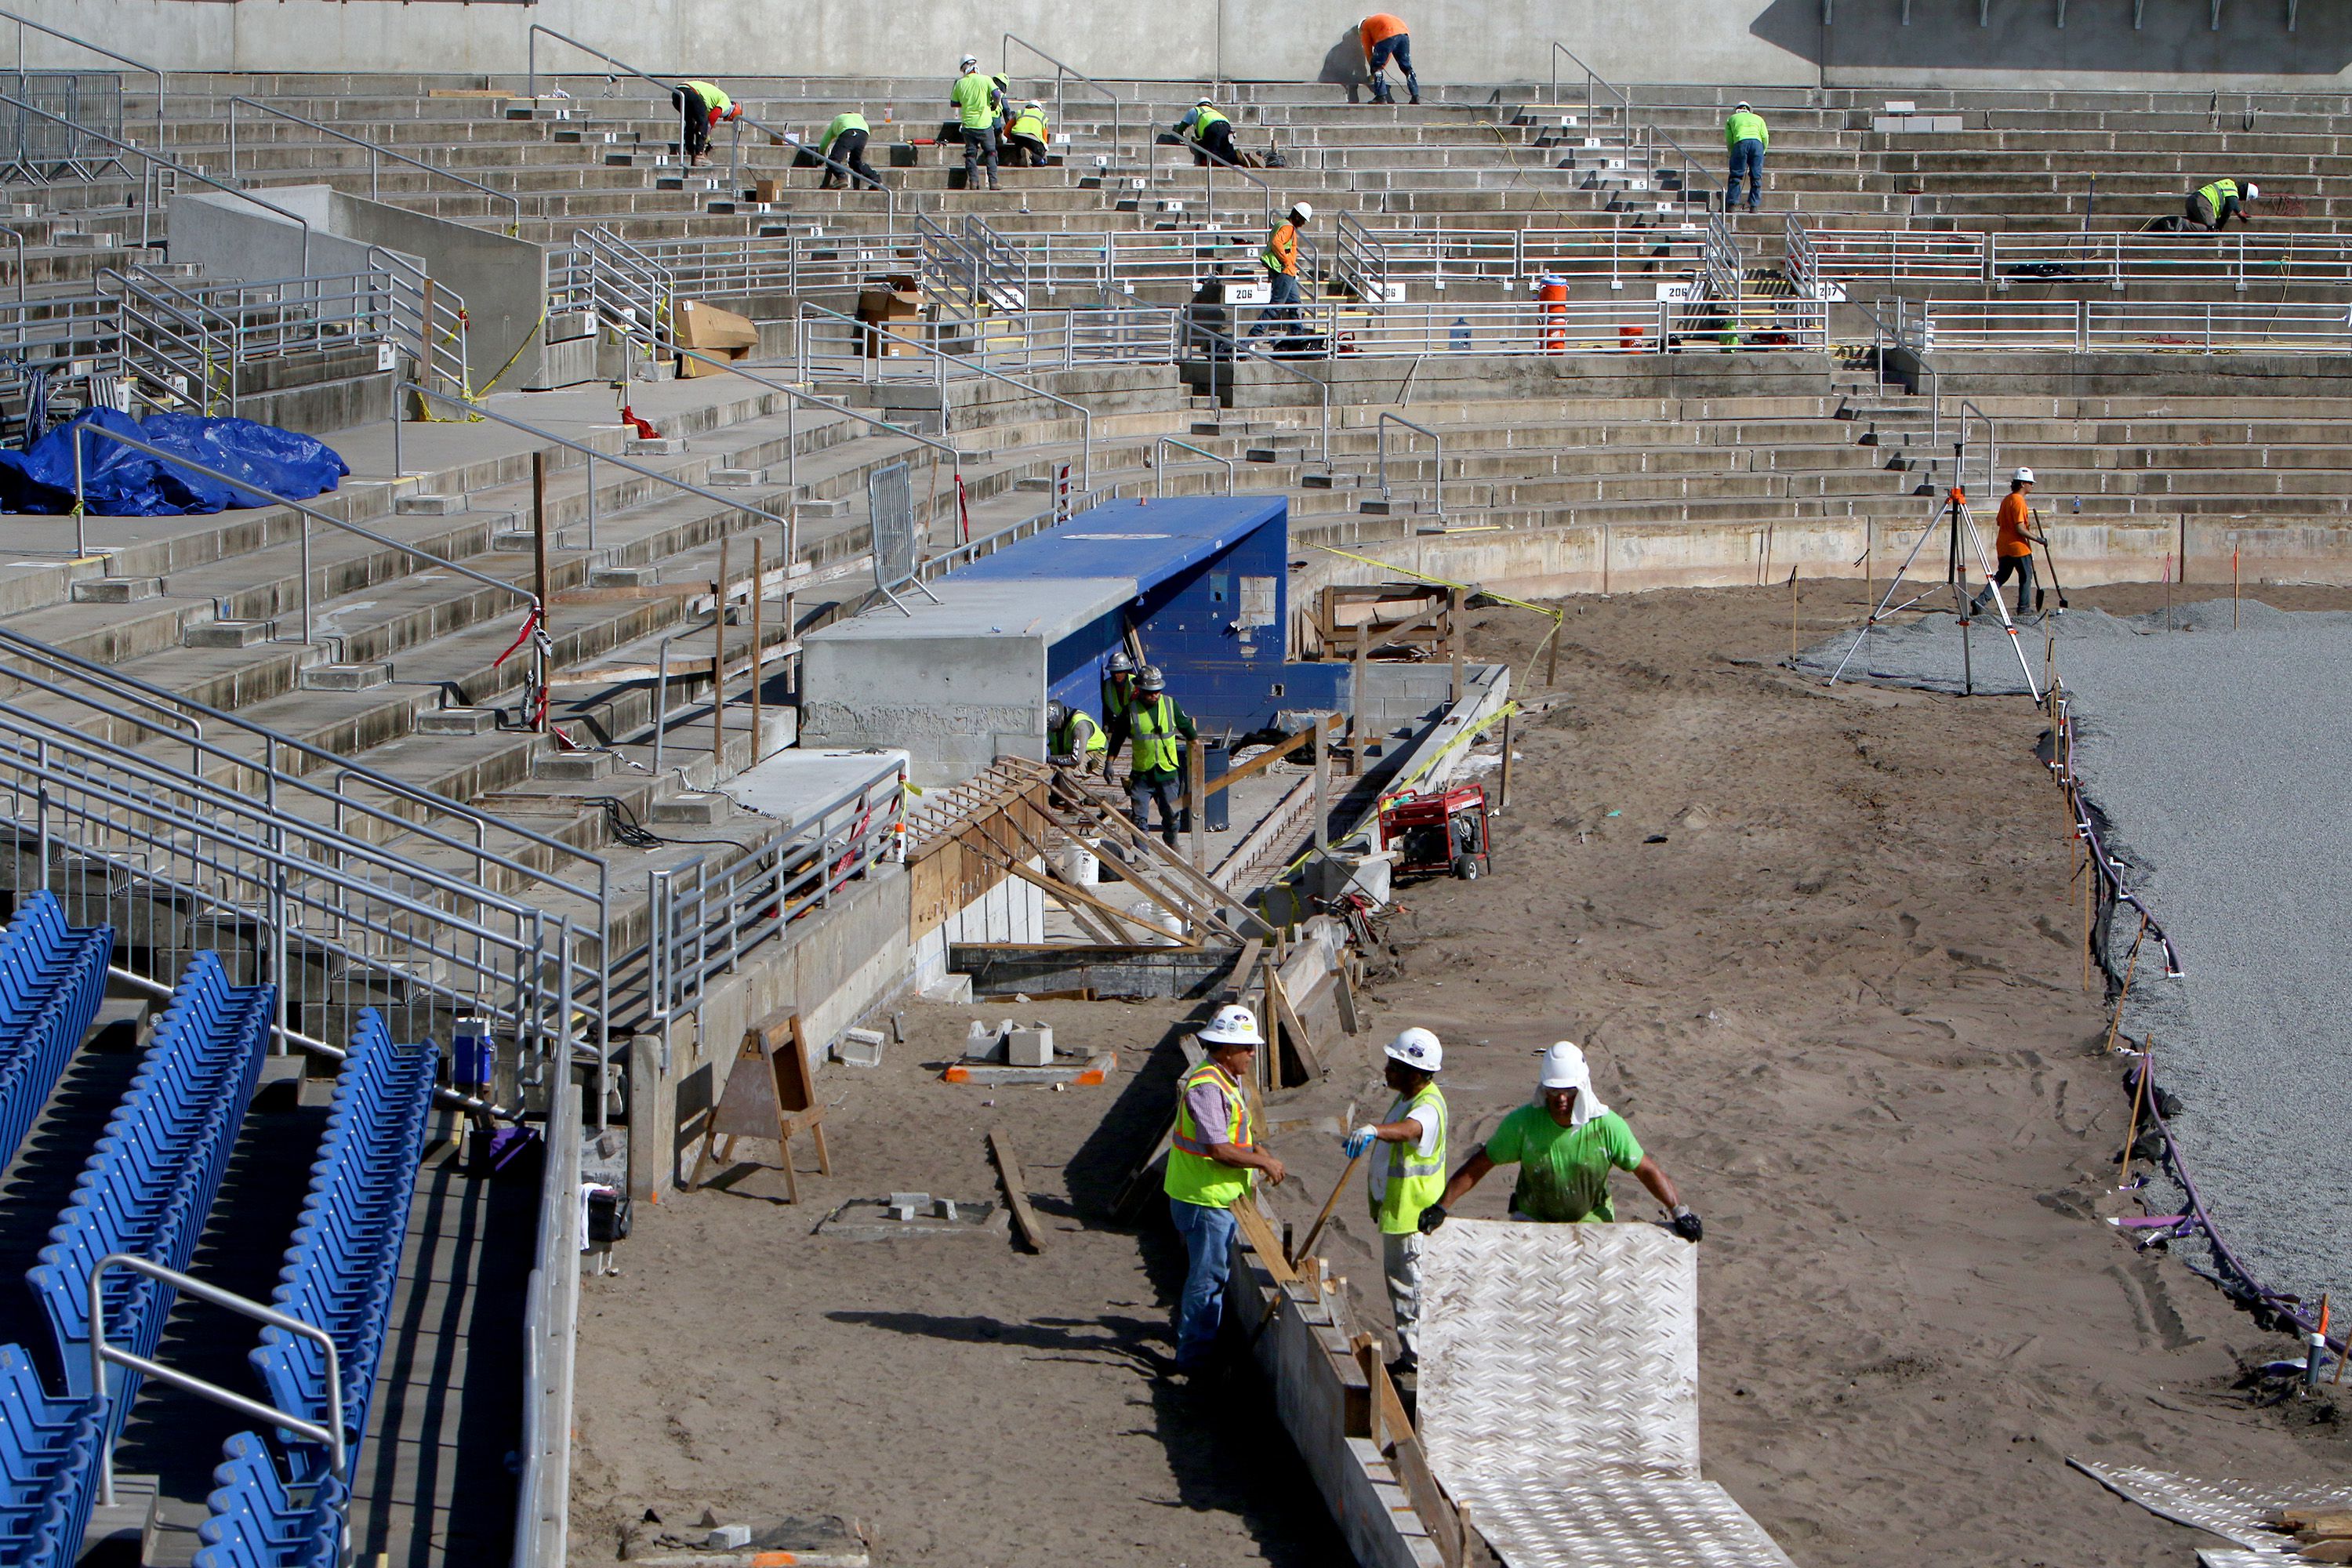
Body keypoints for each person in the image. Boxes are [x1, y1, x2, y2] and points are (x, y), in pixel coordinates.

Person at [1419, 1040, 1701, 1239]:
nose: (1562, 1099)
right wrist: (1441, 1207)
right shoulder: (1523, 1124)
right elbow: (1480, 1165)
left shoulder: (1607, 1127)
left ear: (1582, 1087)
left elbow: (1646, 1170)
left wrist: (1679, 1211)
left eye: (1568, 1090)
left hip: (1592, 1225)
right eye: (1554, 1091)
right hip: (1533, 1223)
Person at [1165, 1004, 1287, 1377]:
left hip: (1215, 1196)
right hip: (1204, 1198)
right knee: (1207, 1280)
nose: (1253, 1054)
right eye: (1247, 1047)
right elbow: (1218, 1149)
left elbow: (1234, 1133)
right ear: (1225, 1048)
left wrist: (1256, 1151)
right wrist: (1262, 1163)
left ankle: (1199, 1347)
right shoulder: (1206, 1087)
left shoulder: (1223, 1080)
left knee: (1211, 1277)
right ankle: (1194, 1362)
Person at [1344, 1026, 1446, 1375]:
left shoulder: (1428, 1106)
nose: (1387, 1070)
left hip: (1412, 1217)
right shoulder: (1406, 1098)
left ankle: (1418, 1363)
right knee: (1400, 1288)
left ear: (1416, 1073)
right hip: (1396, 1213)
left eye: (1394, 1065)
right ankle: (1411, 1355)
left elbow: (1410, 1131)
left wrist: (1373, 1129)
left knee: (1411, 1291)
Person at [1120, 664, 1196, 848]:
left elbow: (1186, 727)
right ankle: (1142, 856)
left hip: (1167, 772)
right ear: (1140, 690)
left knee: (1172, 816)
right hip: (1142, 774)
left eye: (1157, 692)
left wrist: (1196, 746)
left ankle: (1171, 841)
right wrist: (1109, 761)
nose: (1155, 696)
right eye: (1150, 693)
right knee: (1139, 819)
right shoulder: (1131, 710)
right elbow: (1117, 738)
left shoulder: (1170, 705)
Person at [1971, 467, 2045, 619]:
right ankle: (2023, 608)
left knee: (2001, 576)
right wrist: (2038, 539)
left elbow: (2000, 521)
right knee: (2026, 576)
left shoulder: (2007, 500)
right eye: (2030, 483)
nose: (2032, 486)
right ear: (2023, 484)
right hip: (2018, 547)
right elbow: (2020, 528)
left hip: (2003, 545)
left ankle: (1981, 601)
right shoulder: (2019, 501)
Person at [1248, 201, 1312, 339]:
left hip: (1288, 271)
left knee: (1295, 304)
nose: (1303, 224)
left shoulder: (1282, 223)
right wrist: (1286, 260)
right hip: (1284, 271)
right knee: (1276, 305)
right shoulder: (1288, 228)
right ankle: (1253, 336)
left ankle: (1298, 335)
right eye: (1303, 221)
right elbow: (1277, 242)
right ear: (1297, 217)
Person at [949, 56, 1003, 191]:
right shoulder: (986, 79)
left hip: (968, 125)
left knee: (971, 154)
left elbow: (954, 103)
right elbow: (997, 94)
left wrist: (967, 102)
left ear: (964, 68)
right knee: (991, 153)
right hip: (985, 124)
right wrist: (994, 106)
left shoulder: (960, 83)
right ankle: (993, 182)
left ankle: (974, 183)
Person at [673, 79, 740, 168]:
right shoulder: (726, 102)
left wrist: (706, 137)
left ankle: (689, 150)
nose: (721, 117)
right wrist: (706, 136)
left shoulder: (710, 103)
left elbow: (701, 126)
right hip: (691, 92)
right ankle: (699, 156)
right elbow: (712, 118)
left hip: (677, 93)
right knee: (703, 122)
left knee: (691, 123)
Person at [1359, 13, 1420, 105]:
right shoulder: (1377, 22)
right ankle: (1415, 96)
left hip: (1388, 34)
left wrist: (1374, 68)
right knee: (1406, 67)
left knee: (1376, 67)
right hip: (1404, 34)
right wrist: (1381, 64)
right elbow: (1388, 52)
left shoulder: (1365, 27)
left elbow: (1368, 51)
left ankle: (1381, 97)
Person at [818, 109, 880, 191]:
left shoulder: (838, 119)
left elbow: (824, 142)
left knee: (833, 160)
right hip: (864, 134)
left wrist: (821, 156)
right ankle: (875, 178)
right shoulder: (859, 117)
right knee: (855, 162)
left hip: (848, 132)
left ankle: (841, 177)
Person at [1725, 101, 1768, 213]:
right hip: (1757, 144)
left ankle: (1732, 204)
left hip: (1740, 143)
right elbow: (1765, 136)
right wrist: (1763, 150)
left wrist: (1731, 152)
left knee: (1736, 175)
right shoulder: (1758, 118)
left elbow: (1729, 139)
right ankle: (1754, 205)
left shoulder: (1731, 119)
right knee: (1756, 176)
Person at [1045, 699, 1107, 774]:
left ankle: (1070, 784)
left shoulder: (1079, 727)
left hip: (1097, 755)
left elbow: (1075, 759)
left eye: (1054, 727)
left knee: (1067, 772)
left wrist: (1049, 759)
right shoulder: (1051, 727)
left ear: (1061, 719)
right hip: (1076, 754)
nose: (1051, 730)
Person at [1174, 98, 1240, 167]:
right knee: (1225, 151)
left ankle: (1236, 157)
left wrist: (1180, 138)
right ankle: (1240, 157)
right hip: (1226, 126)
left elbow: (1181, 127)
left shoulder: (1195, 110)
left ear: (1199, 105)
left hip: (1212, 127)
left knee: (1212, 155)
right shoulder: (1214, 111)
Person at [1099, 649, 1139, 753]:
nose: (1117, 675)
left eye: (1120, 672)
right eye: (1114, 672)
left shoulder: (1135, 684)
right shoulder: (1107, 686)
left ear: (1126, 671)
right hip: (1118, 722)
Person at [2187, 177, 2258, 231]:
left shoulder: (2229, 183)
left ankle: (2178, 222)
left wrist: (2239, 212)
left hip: (2192, 199)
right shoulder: (2233, 196)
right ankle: (2183, 225)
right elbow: (2229, 207)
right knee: (2212, 230)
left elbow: (2232, 201)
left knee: (2197, 224)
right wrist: (2220, 226)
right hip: (2203, 203)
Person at [1004, 100, 1051, 167]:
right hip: (1034, 138)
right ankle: (1030, 155)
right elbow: (1045, 139)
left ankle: (1022, 157)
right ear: (1040, 109)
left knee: (1020, 146)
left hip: (1017, 135)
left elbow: (1006, 131)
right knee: (1040, 158)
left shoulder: (1020, 112)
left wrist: (1012, 139)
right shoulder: (1043, 117)